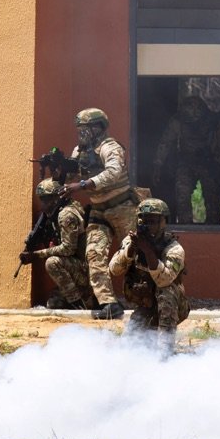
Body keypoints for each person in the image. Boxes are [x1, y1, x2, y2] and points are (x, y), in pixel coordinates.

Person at [61, 108, 137, 320]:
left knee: (136, 252)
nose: (81, 133)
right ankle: (108, 303)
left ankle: (150, 297)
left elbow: (113, 173)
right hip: (99, 210)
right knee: (94, 253)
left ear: (98, 128)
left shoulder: (110, 147)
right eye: (79, 129)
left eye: (85, 128)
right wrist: (61, 172)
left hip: (122, 207)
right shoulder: (80, 151)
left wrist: (84, 184)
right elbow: (71, 176)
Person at [109, 198, 189, 352]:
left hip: (172, 309)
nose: (147, 226)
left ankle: (166, 349)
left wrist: (147, 251)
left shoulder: (173, 248)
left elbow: (165, 280)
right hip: (146, 306)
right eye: (143, 221)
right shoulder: (131, 241)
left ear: (163, 223)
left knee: (166, 291)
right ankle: (151, 333)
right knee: (128, 347)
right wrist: (131, 250)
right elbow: (114, 270)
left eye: (152, 221)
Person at [152, 88, 220, 224]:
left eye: (197, 111)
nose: (194, 114)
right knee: (182, 192)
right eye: (190, 110)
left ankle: (213, 228)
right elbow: (165, 143)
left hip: (209, 163)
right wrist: (157, 166)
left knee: (212, 197)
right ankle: (185, 224)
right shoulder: (178, 121)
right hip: (187, 162)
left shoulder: (214, 122)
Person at [18, 178, 93, 309]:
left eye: (46, 199)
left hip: (86, 271)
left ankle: (78, 304)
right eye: (42, 199)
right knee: (54, 303)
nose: (43, 204)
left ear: (56, 198)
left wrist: (35, 255)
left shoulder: (66, 214)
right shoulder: (56, 213)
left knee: (52, 262)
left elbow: (68, 248)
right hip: (76, 267)